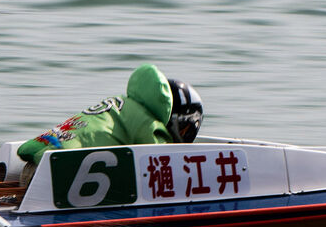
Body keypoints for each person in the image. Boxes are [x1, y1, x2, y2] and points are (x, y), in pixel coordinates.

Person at [15, 64, 203, 186]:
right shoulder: (148, 125)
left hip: (32, 167)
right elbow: (161, 163)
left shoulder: (118, 104)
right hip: (54, 178)